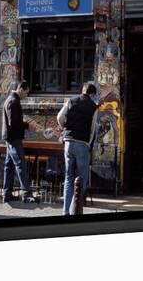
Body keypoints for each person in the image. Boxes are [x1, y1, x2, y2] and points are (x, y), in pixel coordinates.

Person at [57, 82, 100, 215]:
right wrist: (89, 143)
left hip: (68, 142)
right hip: (82, 143)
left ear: (83, 90)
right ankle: (75, 210)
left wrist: (65, 128)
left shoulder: (71, 101)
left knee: (68, 177)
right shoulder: (93, 107)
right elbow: (92, 129)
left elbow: (60, 117)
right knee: (82, 178)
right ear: (92, 94)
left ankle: (65, 211)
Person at [2, 80, 37, 204]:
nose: (26, 95)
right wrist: (28, 125)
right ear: (21, 89)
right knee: (20, 165)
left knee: (9, 166)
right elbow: (14, 123)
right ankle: (27, 194)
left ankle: (7, 194)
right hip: (14, 138)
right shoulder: (13, 102)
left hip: (10, 137)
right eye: (26, 93)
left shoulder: (10, 100)